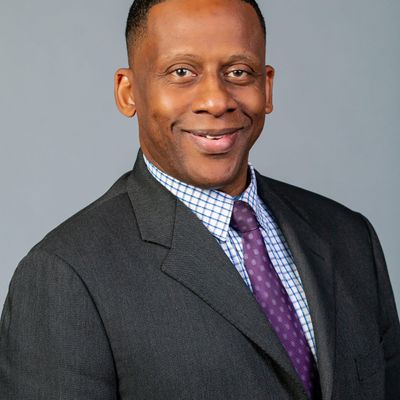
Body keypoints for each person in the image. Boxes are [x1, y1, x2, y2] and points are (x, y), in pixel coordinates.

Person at [0, 0, 399, 398]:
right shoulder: (64, 275)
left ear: (267, 86)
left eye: (238, 72)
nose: (216, 100)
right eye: (182, 72)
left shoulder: (349, 237)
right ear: (128, 92)